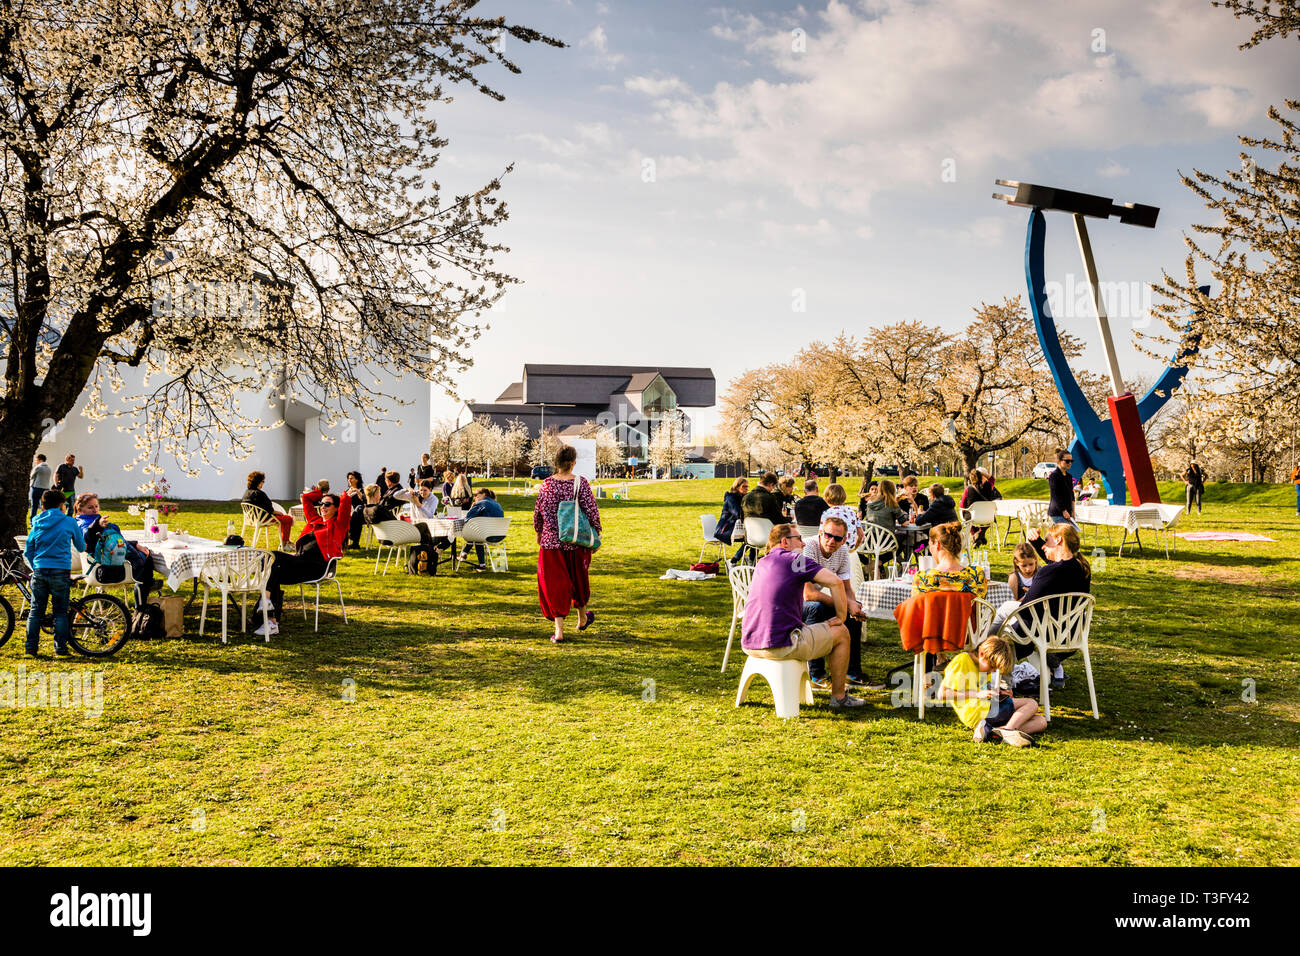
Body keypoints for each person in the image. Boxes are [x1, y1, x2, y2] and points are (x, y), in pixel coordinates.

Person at [739, 523, 865, 710]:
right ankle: (839, 697)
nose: (803, 544)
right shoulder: (794, 560)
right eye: (798, 539)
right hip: (780, 644)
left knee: (811, 622)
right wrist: (840, 616)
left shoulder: (763, 562)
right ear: (785, 542)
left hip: (750, 642)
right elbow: (836, 582)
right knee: (842, 632)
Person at [258, 488, 354, 636]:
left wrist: (345, 496)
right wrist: (322, 494)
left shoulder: (338, 525)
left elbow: (346, 507)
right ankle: (271, 620)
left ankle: (265, 609)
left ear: (336, 508)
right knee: (272, 571)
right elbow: (307, 499)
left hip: (317, 568)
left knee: (273, 556)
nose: (323, 506)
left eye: (327, 504)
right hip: (300, 563)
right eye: (321, 504)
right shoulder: (313, 520)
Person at [533, 445, 602, 643]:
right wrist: (596, 533)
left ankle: (560, 630)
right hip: (575, 541)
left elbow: (538, 511)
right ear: (573, 462)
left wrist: (539, 531)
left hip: (551, 542)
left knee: (555, 585)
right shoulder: (580, 483)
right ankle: (581, 618)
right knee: (579, 579)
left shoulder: (546, 484)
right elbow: (591, 510)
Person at [1010, 523, 1092, 688]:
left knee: (1005, 613)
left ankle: (982, 658)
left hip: (1046, 633)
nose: (1044, 546)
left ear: (1059, 540)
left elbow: (1025, 608)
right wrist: (1037, 541)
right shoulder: (1081, 567)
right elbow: (1059, 563)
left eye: (1047, 541)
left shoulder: (1049, 572)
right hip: (1072, 633)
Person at [800, 516, 876, 691]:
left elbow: (846, 588)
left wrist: (853, 604)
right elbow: (809, 594)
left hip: (815, 599)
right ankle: (816, 675)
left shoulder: (842, 552)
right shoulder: (808, 548)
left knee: (853, 613)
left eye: (837, 538)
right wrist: (843, 604)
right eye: (828, 535)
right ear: (820, 533)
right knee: (816, 609)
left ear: (844, 539)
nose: (832, 541)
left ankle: (852, 673)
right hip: (794, 603)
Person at [938, 635, 1045, 747]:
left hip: (987, 712)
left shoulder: (983, 668)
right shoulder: (962, 661)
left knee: (1041, 721)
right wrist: (978, 694)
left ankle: (993, 731)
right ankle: (1008, 730)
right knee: (1031, 703)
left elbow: (982, 688)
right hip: (977, 711)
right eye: (992, 667)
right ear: (981, 654)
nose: (992, 671)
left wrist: (998, 691)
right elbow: (943, 694)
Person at [23, 490, 85, 657]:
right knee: (60, 612)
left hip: (40, 571)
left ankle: (30, 649)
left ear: (42, 506)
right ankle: (60, 649)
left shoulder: (36, 523)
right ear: (62, 506)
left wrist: (35, 565)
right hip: (60, 571)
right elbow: (81, 547)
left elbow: (28, 550)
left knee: (36, 611)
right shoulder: (69, 522)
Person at [73, 493, 158, 603]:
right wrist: (97, 524)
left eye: (96, 506)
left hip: (105, 562)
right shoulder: (84, 523)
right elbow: (88, 536)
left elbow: (115, 541)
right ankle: (143, 601)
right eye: (90, 507)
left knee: (145, 552)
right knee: (147, 560)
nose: (95, 510)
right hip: (107, 568)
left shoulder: (88, 520)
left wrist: (135, 544)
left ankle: (146, 588)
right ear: (80, 510)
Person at [911, 522, 988, 598]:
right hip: (965, 611)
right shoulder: (977, 575)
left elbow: (917, 607)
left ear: (937, 544)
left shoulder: (922, 579)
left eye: (930, 545)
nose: (930, 550)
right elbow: (980, 605)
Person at [458, 487, 506, 570]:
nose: (474, 497)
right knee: (477, 534)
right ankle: (479, 563)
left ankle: (465, 553)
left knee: (477, 535)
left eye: (476, 495)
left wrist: (473, 506)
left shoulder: (482, 503)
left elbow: (468, 517)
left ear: (483, 494)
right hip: (499, 534)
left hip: (487, 534)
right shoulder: (496, 503)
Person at [242, 471, 294, 547]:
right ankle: (285, 543)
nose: (263, 483)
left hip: (252, 518)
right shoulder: (259, 493)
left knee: (282, 520)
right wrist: (276, 512)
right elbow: (269, 508)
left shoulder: (246, 493)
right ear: (259, 482)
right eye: (263, 481)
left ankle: (285, 541)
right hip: (264, 518)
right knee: (288, 519)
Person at [960, 468, 1002, 546]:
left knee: (967, 518)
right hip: (987, 517)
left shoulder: (968, 490)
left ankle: (975, 535)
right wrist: (982, 473)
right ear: (981, 476)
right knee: (989, 519)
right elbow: (992, 478)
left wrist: (962, 511)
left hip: (972, 517)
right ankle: (980, 534)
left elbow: (962, 504)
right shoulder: (989, 486)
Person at [715, 477, 749, 564]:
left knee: (754, 537)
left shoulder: (743, 498)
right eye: (744, 486)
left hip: (738, 528)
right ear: (737, 487)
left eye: (747, 487)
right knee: (751, 539)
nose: (747, 489)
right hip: (726, 530)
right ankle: (734, 560)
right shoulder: (731, 499)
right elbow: (738, 513)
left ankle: (748, 559)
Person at [821, 483, 863, 551]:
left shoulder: (826, 513)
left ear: (826, 497)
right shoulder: (853, 513)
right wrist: (854, 548)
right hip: (849, 551)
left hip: (833, 549)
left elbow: (821, 535)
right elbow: (861, 535)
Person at [1047, 448, 1078, 529]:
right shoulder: (1054, 476)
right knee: (1064, 538)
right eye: (1067, 461)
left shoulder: (1069, 476)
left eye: (1071, 461)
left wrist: (1073, 511)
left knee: (1070, 537)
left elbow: (1071, 495)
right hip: (1057, 513)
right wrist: (1063, 511)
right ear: (1059, 461)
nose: (1070, 463)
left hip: (1068, 514)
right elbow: (1055, 496)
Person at [343, 471, 366, 549]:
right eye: (348, 479)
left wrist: (357, 492)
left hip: (359, 514)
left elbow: (364, 501)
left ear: (357, 479)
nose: (349, 480)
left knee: (357, 513)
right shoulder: (347, 491)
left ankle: (355, 542)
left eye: (351, 478)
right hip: (347, 514)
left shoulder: (362, 490)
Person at [29, 453, 52, 521]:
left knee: (34, 506)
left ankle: (32, 521)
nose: (36, 462)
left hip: (36, 488)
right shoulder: (49, 469)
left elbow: (31, 476)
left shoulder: (38, 467)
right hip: (46, 489)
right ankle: (44, 520)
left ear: (40, 460)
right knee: (44, 506)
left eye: (36, 460)